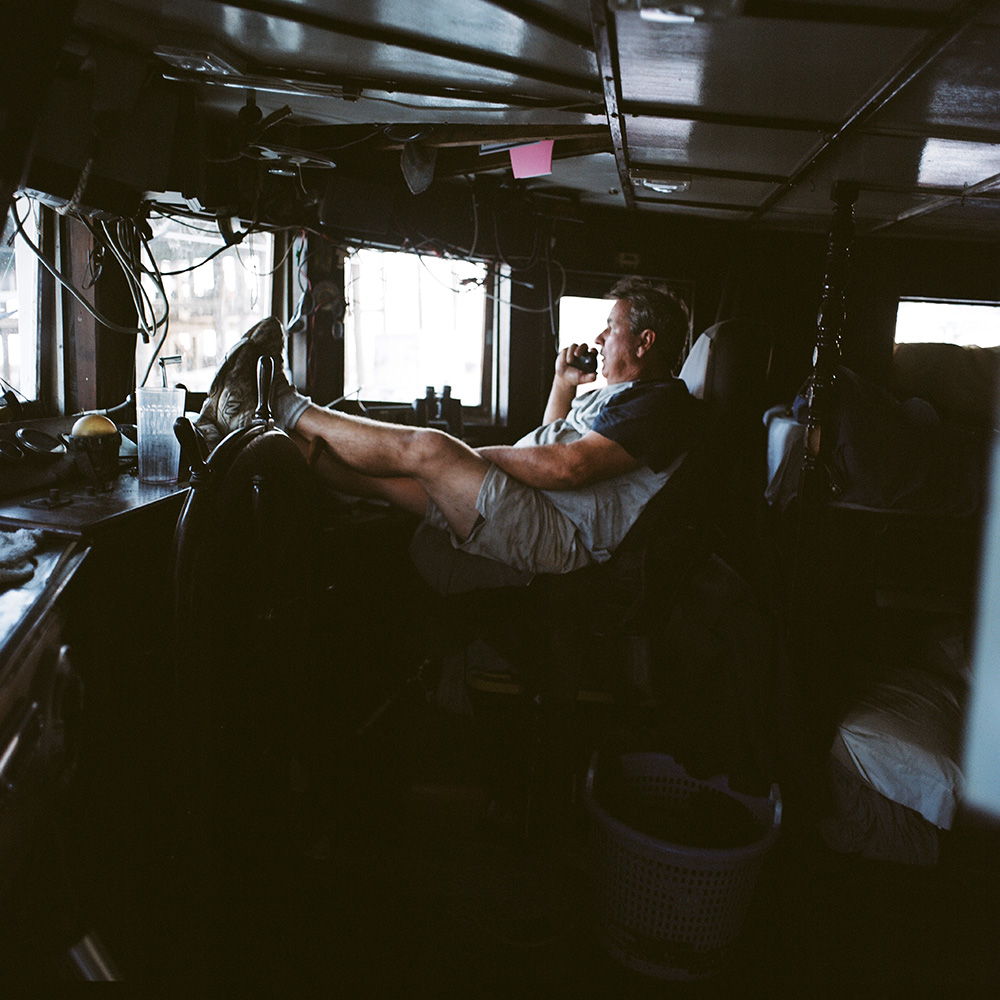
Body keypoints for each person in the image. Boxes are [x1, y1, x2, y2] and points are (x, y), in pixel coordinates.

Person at [195, 277, 703, 594]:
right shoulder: (616, 396)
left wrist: (468, 457)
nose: (598, 338)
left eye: (609, 328)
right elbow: (550, 443)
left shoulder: (661, 403)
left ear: (644, 341)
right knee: (374, 482)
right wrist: (562, 384)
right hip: (538, 506)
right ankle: (245, 432)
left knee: (429, 449)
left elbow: (567, 468)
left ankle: (277, 403)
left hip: (557, 535)